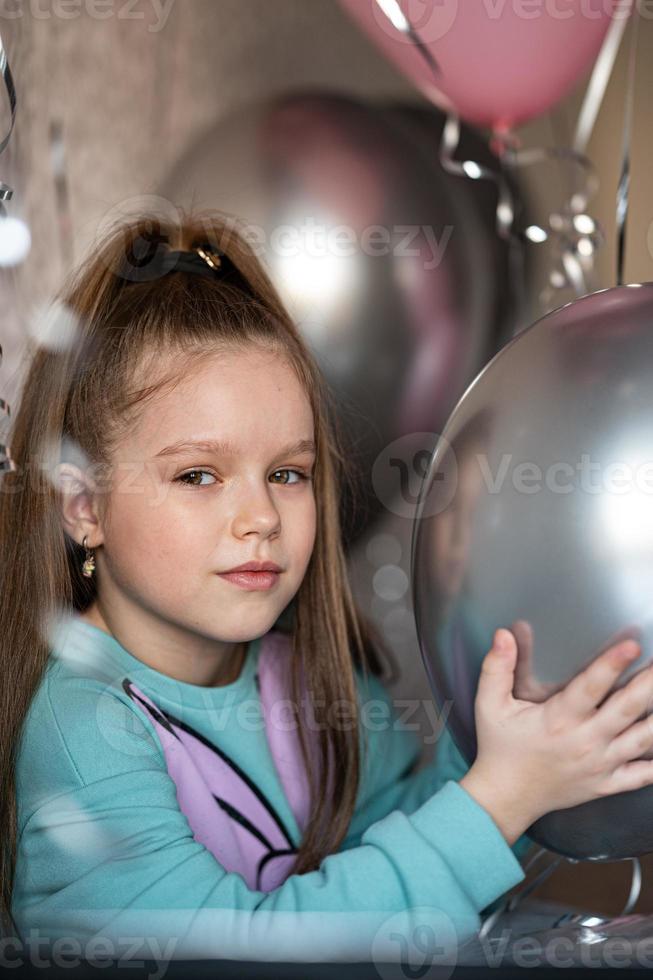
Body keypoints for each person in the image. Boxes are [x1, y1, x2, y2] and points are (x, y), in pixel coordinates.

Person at [3, 210, 653, 966]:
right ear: (84, 508)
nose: (260, 519)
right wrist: (498, 799)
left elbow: (387, 855)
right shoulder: (84, 734)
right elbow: (231, 957)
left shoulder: (316, 686)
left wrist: (498, 747)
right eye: (198, 475)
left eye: (287, 473)